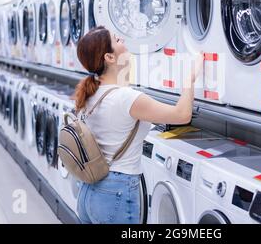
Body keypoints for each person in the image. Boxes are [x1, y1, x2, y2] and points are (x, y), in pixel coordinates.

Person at [74, 26, 203, 224]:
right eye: (117, 40)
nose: (123, 41)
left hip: (88, 192)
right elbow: (182, 114)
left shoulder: (90, 94)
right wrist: (190, 78)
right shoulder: (126, 98)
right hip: (116, 191)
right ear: (109, 57)